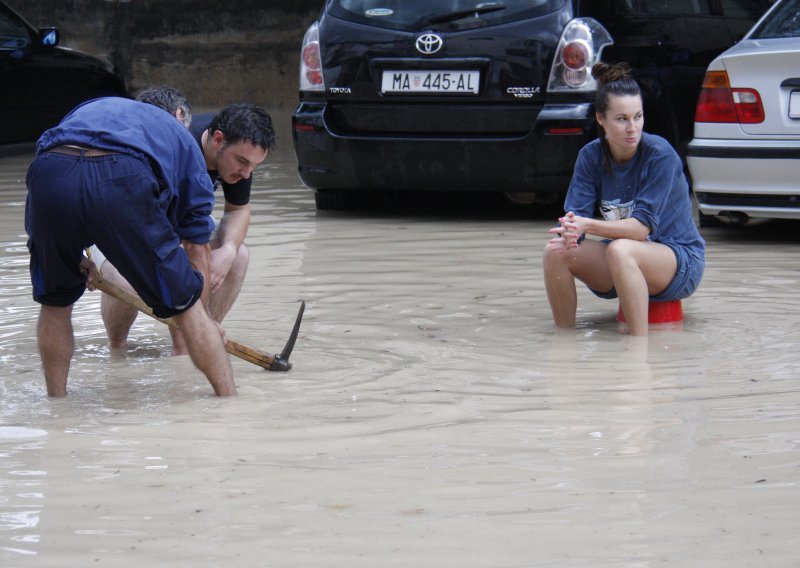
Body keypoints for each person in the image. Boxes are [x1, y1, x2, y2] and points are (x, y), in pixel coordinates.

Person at [24, 96, 236, 396]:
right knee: (189, 309)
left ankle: (57, 407)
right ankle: (231, 404)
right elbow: (197, 247)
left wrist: (75, 254)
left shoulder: (95, 107)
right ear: (178, 115)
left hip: (50, 171)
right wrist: (202, 317)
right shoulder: (183, 140)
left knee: (55, 303)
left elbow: (66, 172)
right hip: (120, 176)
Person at [96, 89, 276, 355]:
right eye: (241, 163)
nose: (246, 173)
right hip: (120, 227)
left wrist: (226, 251)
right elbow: (170, 245)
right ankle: (118, 348)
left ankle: (196, 345)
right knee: (130, 280)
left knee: (239, 255)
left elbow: (238, 209)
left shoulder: (238, 151)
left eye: (253, 166)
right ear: (217, 140)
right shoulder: (175, 145)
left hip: (179, 228)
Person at [542, 62, 705, 336]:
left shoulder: (659, 154)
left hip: (679, 261)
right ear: (601, 119)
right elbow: (575, 222)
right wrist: (571, 235)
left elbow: (640, 231)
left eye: (638, 116)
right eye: (621, 119)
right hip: (622, 259)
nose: (633, 128)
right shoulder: (590, 156)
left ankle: (636, 350)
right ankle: (564, 344)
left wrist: (586, 226)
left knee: (621, 248)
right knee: (555, 251)